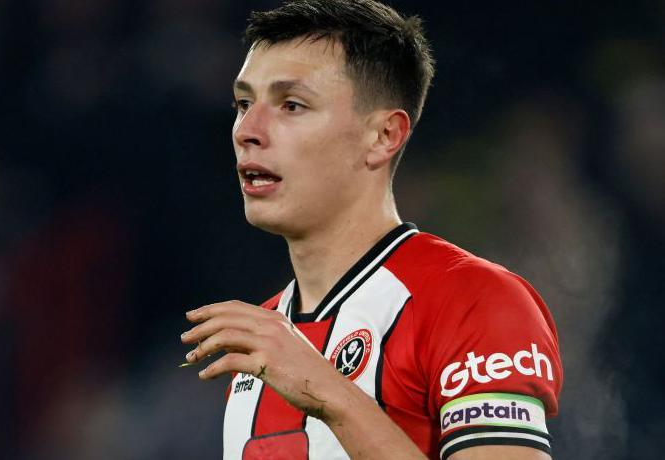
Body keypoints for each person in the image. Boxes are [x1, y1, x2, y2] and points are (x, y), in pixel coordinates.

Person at [179, 1, 563, 459]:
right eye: (244, 103)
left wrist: (329, 394)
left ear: (383, 136)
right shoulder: (261, 347)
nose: (248, 129)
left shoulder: (477, 300)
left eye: (292, 105)